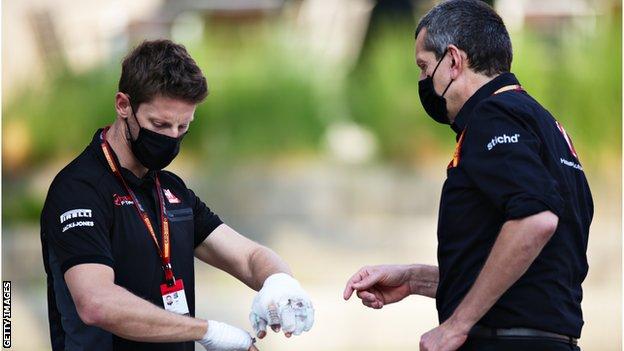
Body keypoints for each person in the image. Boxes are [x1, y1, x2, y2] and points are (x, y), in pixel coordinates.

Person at [343, 1, 592, 350]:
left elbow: (535, 219)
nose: (421, 80)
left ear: (454, 61)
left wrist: (456, 326)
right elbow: (529, 273)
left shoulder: (493, 117)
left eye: (423, 66)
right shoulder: (542, 123)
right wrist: (415, 279)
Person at [40, 39, 314, 351]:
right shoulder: (79, 189)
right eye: (160, 124)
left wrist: (280, 284)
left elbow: (250, 258)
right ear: (123, 105)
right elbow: (96, 302)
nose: (172, 138)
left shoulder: (171, 189)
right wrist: (207, 331)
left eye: (183, 126)